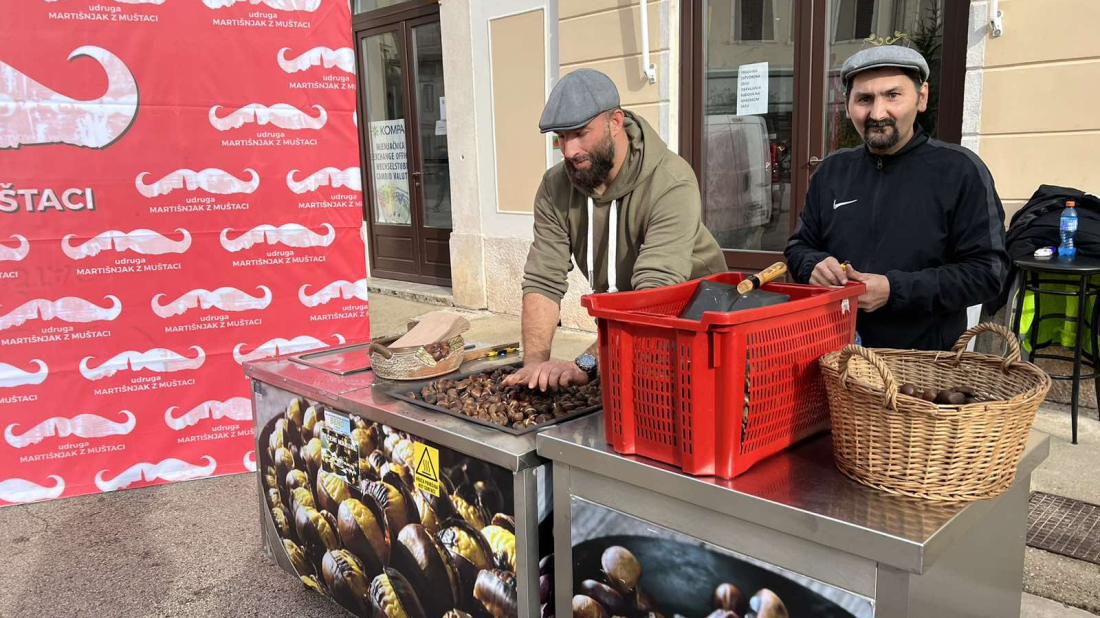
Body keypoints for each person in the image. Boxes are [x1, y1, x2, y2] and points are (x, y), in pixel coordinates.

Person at [503, 69, 726, 390]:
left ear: (616, 122)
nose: (568, 150)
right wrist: (535, 366)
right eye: (561, 137)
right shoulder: (555, 186)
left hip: (696, 327)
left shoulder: (672, 181)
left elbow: (654, 295)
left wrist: (588, 362)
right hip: (628, 331)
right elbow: (543, 279)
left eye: (580, 133)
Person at [784, 45, 1009, 350]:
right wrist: (814, 264)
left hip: (924, 369)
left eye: (892, 95)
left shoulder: (960, 171)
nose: (878, 113)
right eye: (864, 99)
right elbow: (799, 246)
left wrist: (894, 290)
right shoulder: (832, 171)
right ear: (848, 106)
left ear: (922, 97)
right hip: (834, 356)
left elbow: (988, 273)